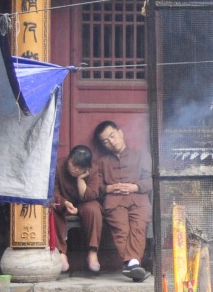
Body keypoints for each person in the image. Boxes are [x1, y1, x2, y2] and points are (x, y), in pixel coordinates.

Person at [93, 120, 152, 282]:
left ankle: (130, 265)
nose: (111, 142)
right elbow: (96, 187)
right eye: (106, 141)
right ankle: (134, 265)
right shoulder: (102, 162)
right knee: (122, 230)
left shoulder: (141, 156)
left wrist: (134, 187)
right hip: (114, 202)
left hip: (139, 199)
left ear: (120, 133)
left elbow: (150, 180)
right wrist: (109, 188)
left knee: (138, 227)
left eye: (112, 136)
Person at [51, 144, 102, 274]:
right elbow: (53, 192)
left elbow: (92, 195)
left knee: (94, 208)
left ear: (87, 168)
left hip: (83, 203)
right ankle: (61, 253)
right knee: (52, 209)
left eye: (80, 168)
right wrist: (64, 203)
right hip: (63, 202)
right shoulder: (58, 166)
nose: (75, 170)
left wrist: (80, 180)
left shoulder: (93, 170)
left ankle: (92, 252)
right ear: (68, 159)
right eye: (73, 165)